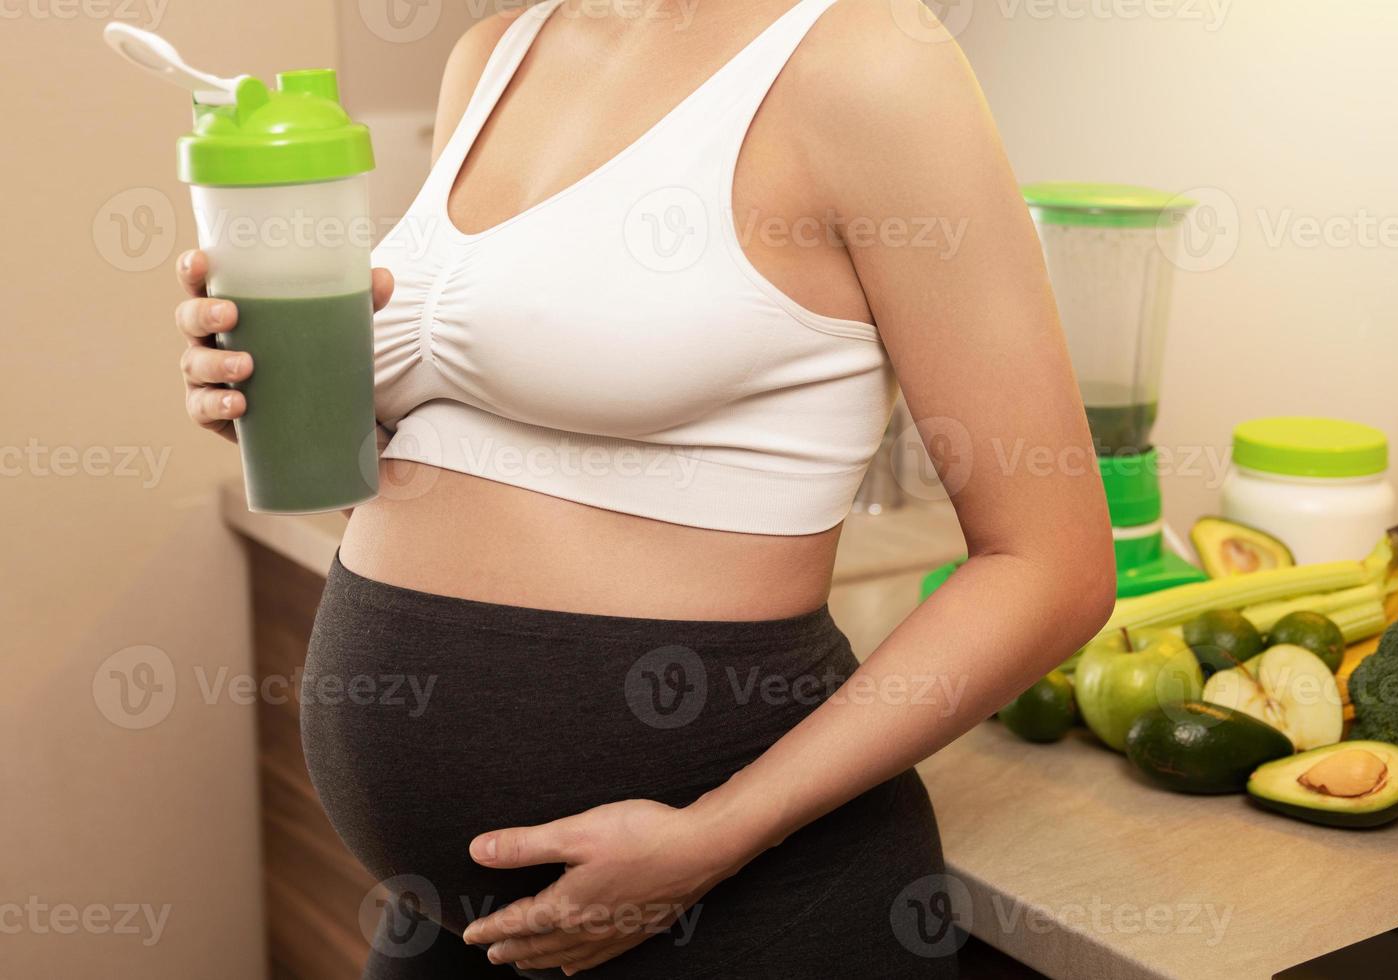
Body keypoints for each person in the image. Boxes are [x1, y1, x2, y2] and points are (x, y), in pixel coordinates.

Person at [172, 0, 1115, 975]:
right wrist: (287, 399)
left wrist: (720, 829)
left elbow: (1053, 563)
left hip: (741, 906)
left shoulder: (867, 62)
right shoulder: (494, 54)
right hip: (449, 923)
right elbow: (472, 472)